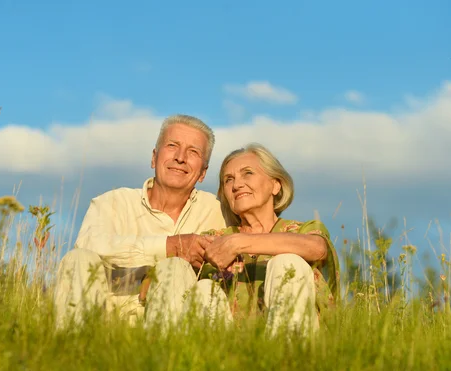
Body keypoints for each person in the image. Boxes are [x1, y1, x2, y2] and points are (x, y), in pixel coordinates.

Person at [53, 114, 228, 328]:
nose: (180, 157)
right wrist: (168, 246)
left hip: (175, 321)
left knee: (175, 268)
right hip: (104, 319)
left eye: (193, 152)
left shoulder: (216, 211)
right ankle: (74, 350)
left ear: (203, 172)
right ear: (154, 158)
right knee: (77, 259)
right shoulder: (113, 202)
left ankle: (166, 357)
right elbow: (89, 244)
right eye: (172, 145)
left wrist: (163, 271)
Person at [155, 142, 340, 337]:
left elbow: (317, 248)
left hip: (294, 341)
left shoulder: (302, 230)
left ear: (275, 185)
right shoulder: (213, 240)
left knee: (288, 263)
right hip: (227, 346)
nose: (236, 185)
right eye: (228, 180)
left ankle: (287, 360)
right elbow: (170, 279)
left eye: (248, 173)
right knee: (203, 288)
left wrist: (238, 243)